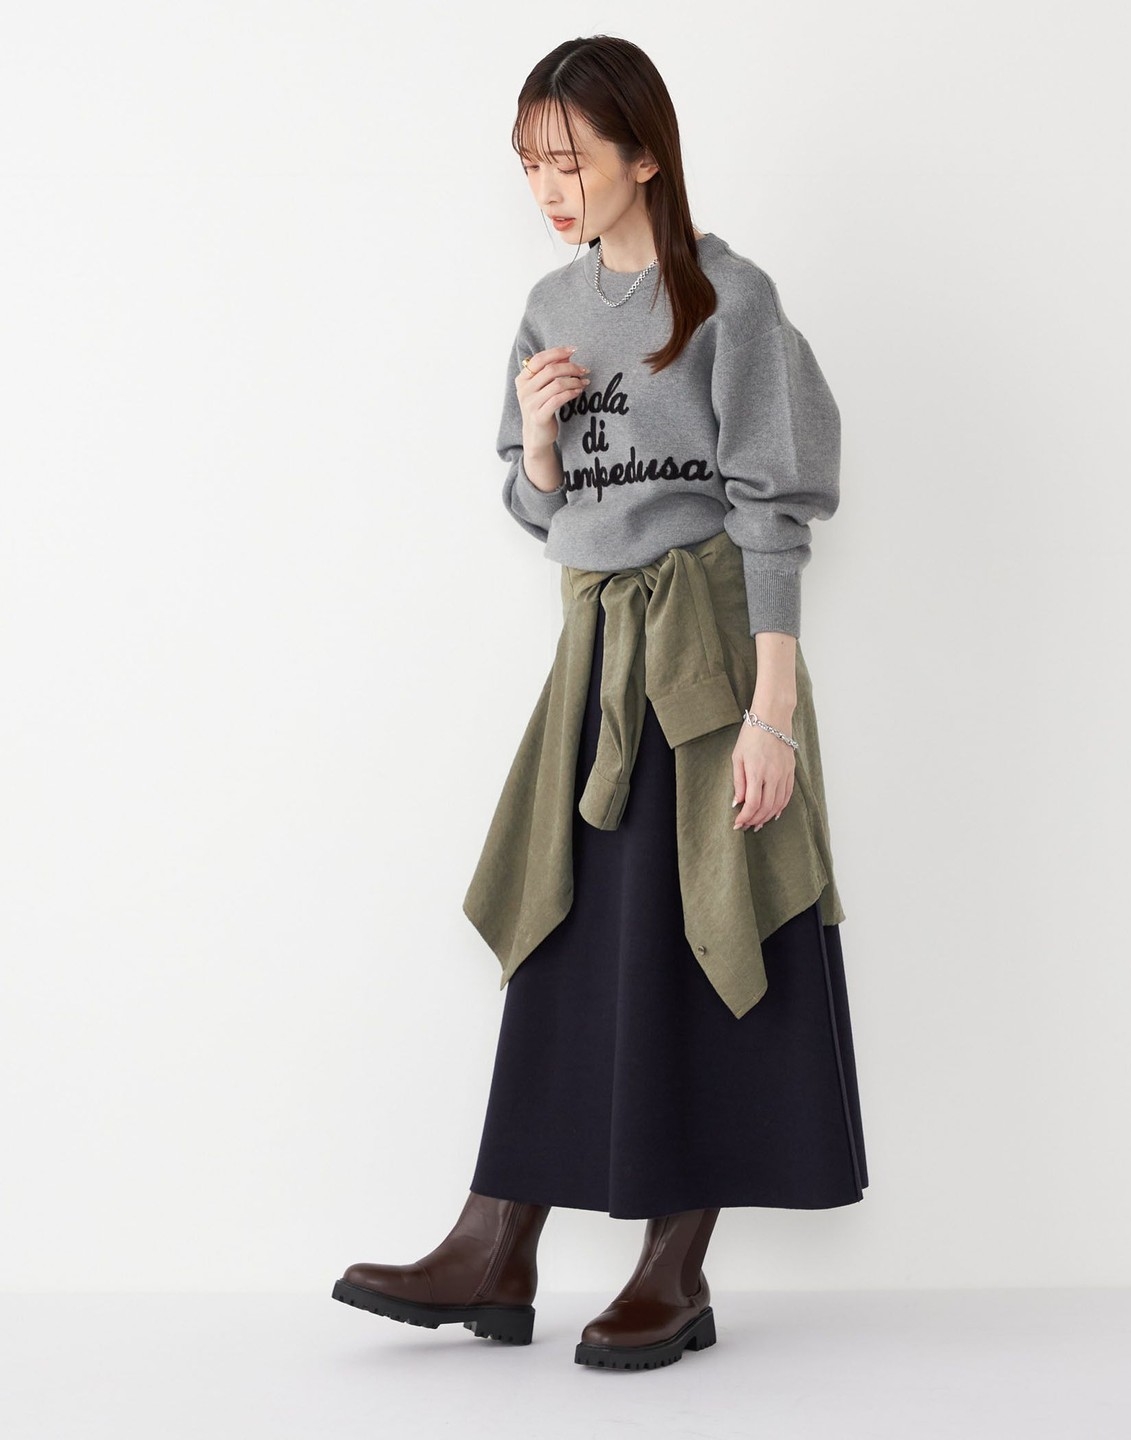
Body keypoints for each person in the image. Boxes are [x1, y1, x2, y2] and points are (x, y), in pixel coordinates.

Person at [333, 34, 868, 1372]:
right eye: (530, 165)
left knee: (706, 933)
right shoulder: (549, 307)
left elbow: (775, 513)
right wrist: (536, 438)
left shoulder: (731, 302)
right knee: (565, 931)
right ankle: (495, 1246)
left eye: (568, 161)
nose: (548, 189)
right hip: (593, 661)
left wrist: (772, 714)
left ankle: (673, 1270)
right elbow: (542, 513)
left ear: (646, 156)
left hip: (707, 659)